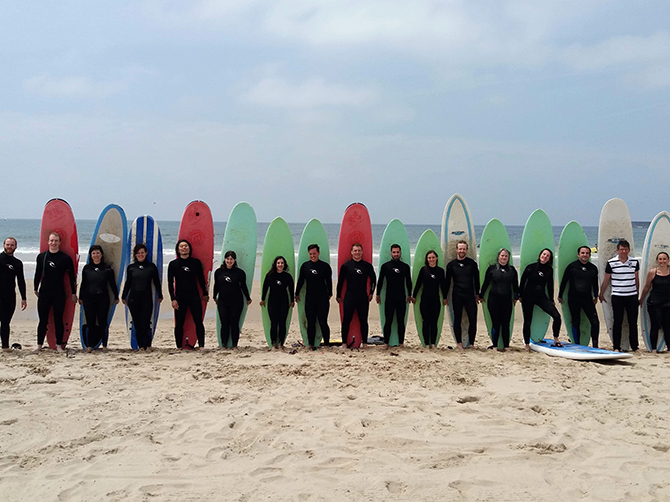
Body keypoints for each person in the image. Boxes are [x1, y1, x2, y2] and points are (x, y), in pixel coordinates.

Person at [34, 232, 77, 352]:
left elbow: (72, 277)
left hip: (59, 293)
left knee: (58, 319)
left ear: (59, 242)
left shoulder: (65, 258)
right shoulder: (42, 257)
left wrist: (73, 293)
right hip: (44, 293)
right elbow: (38, 274)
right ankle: (39, 345)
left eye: (56, 241)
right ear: (48, 242)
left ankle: (59, 345)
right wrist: (35, 288)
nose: (53, 243)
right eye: (51, 240)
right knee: (43, 320)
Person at [599, 239, 639, 352]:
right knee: (618, 321)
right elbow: (606, 279)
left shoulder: (635, 262)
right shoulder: (611, 263)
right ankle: (616, 347)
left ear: (629, 250)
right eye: (621, 249)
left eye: (625, 249)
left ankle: (635, 346)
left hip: (632, 296)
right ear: (617, 250)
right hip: (617, 296)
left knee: (632, 322)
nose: (623, 251)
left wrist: (637, 293)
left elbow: (637, 279)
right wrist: (601, 293)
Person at [168, 239, 208, 349]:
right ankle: (179, 346)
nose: (184, 248)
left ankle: (201, 346)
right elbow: (170, 282)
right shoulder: (173, 264)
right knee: (179, 323)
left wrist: (205, 293)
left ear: (189, 248)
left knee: (198, 322)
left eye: (186, 246)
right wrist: (173, 299)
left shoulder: (195, 263)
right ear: (178, 250)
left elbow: (201, 279)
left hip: (194, 296)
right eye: (181, 246)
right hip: (180, 298)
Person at [519, 248, 562, 352]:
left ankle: (556, 338)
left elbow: (550, 285)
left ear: (549, 259)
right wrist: (519, 295)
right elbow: (522, 282)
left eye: (547, 256)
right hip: (527, 297)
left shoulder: (549, 270)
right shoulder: (530, 267)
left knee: (557, 316)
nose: (545, 257)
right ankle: (527, 344)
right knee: (528, 321)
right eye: (544, 254)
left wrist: (551, 299)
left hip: (541, 297)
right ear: (540, 255)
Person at [122, 244, 163, 352]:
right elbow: (128, 283)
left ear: (146, 253)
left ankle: (148, 345)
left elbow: (156, 282)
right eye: (138, 253)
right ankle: (141, 346)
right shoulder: (131, 268)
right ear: (135, 255)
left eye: (142, 253)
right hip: (133, 299)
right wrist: (123, 296)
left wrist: (160, 294)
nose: (140, 255)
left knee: (146, 322)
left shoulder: (151, 267)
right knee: (137, 323)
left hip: (146, 298)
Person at [78, 245, 119, 351]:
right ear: (90, 255)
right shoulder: (87, 268)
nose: (96, 255)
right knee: (90, 322)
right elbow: (83, 283)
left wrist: (116, 296)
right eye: (93, 253)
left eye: (98, 253)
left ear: (101, 254)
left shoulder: (107, 268)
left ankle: (104, 345)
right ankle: (90, 345)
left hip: (103, 298)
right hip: (88, 298)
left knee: (103, 322)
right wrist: (80, 297)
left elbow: (112, 284)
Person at [558, 245, 600, 347]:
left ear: (590, 255)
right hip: (573, 299)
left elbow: (595, 284)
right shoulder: (572, 267)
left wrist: (596, 296)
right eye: (582, 253)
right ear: (578, 255)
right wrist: (560, 295)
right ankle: (577, 344)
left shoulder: (593, 268)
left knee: (595, 322)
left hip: (587, 300)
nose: (585, 255)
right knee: (576, 322)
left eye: (587, 253)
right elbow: (564, 281)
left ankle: (595, 345)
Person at [336, 243, 376, 349]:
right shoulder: (346, 266)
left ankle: (365, 343)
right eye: (355, 251)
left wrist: (371, 292)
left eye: (359, 250)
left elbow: (373, 280)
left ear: (362, 252)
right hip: (349, 296)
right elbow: (340, 282)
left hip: (363, 297)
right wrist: (338, 295)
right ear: (351, 252)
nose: (357, 252)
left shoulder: (367, 266)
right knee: (346, 320)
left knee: (363, 320)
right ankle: (344, 343)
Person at [479, 248, 519, 352]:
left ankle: (506, 346)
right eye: (502, 256)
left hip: (507, 301)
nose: (504, 258)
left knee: (506, 324)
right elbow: (486, 283)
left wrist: (516, 297)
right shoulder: (492, 269)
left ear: (508, 258)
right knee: (496, 323)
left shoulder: (512, 270)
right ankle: (495, 346)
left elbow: (515, 286)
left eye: (506, 256)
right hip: (494, 300)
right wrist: (481, 295)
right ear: (498, 257)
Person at [295, 244, 332, 350]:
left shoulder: (325, 266)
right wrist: (296, 293)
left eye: (314, 253)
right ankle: (310, 344)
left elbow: (329, 281)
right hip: (310, 298)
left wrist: (330, 293)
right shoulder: (305, 266)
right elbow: (301, 281)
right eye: (310, 254)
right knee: (310, 322)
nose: (312, 256)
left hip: (322, 298)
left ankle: (326, 344)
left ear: (318, 253)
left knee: (323, 321)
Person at [375, 244, 412, 348]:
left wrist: (409, 294)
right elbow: (380, 281)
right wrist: (377, 294)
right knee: (388, 321)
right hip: (389, 297)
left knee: (401, 321)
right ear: (391, 253)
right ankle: (386, 343)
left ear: (400, 253)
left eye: (397, 252)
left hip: (401, 297)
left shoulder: (405, 267)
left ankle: (401, 343)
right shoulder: (386, 266)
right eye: (394, 252)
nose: (396, 254)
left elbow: (408, 281)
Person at [445, 240, 480, 349]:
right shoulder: (451, 265)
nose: (462, 251)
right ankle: (459, 343)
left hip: (470, 295)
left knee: (472, 319)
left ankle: (471, 344)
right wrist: (445, 296)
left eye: (464, 249)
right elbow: (447, 282)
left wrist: (478, 293)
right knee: (457, 319)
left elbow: (477, 280)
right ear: (456, 250)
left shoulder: (472, 264)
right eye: (460, 249)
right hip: (457, 295)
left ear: (466, 250)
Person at [213, 251, 252, 349]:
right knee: (224, 323)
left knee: (234, 323)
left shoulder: (240, 272)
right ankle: (224, 344)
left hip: (237, 301)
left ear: (234, 260)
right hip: (223, 301)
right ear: (224, 260)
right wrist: (214, 296)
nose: (229, 261)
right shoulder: (218, 272)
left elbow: (243, 286)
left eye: (231, 259)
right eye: (227, 259)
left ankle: (235, 345)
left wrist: (248, 298)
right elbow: (216, 285)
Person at [411, 250, 447, 348]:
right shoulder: (423, 270)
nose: (431, 259)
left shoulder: (440, 271)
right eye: (429, 258)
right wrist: (414, 296)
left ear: (436, 258)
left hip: (436, 300)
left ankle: (433, 344)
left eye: (433, 257)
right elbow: (418, 284)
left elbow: (443, 286)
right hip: (424, 300)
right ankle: (427, 344)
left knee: (434, 322)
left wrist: (445, 297)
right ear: (427, 259)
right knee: (425, 322)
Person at [260, 256, 295, 350]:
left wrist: (292, 300)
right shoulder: (270, 275)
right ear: (275, 264)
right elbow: (265, 287)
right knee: (274, 323)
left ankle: (281, 344)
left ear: (284, 265)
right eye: (278, 263)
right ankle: (274, 344)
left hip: (284, 302)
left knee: (282, 323)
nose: (280, 265)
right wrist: (263, 299)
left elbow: (291, 289)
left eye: (282, 263)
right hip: (272, 302)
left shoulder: (287, 276)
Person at [639, 251, 670, 353]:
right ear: (657, 260)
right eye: (660, 259)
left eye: (664, 259)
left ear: (668, 260)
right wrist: (641, 298)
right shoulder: (653, 272)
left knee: (667, 325)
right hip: (654, 302)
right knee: (655, 325)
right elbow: (647, 287)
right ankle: (654, 348)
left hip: (667, 302)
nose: (662, 261)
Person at [0, 237, 27, 351]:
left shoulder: (17, 263)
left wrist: (24, 298)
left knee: (5, 322)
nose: (9, 247)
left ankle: (5, 346)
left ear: (16, 247)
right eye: (7, 244)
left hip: (10, 296)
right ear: (3, 245)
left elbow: (21, 281)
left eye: (12, 245)